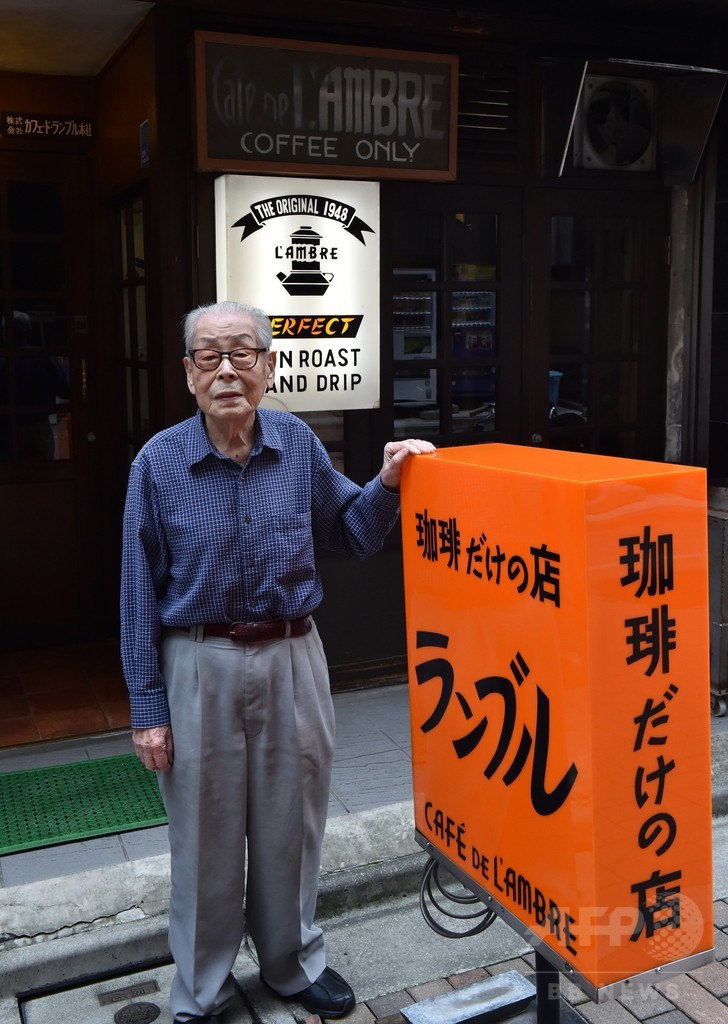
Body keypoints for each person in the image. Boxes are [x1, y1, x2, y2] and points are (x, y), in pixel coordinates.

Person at [120, 299, 435, 1024]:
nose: (227, 370)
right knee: (203, 837)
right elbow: (137, 593)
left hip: (294, 654)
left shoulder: (296, 442)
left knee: (293, 824)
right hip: (198, 660)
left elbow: (351, 533)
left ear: (267, 365)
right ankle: (202, 990)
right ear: (189, 373)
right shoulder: (158, 463)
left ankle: (292, 964)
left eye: (243, 353)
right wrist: (147, 709)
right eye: (210, 356)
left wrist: (388, 484)